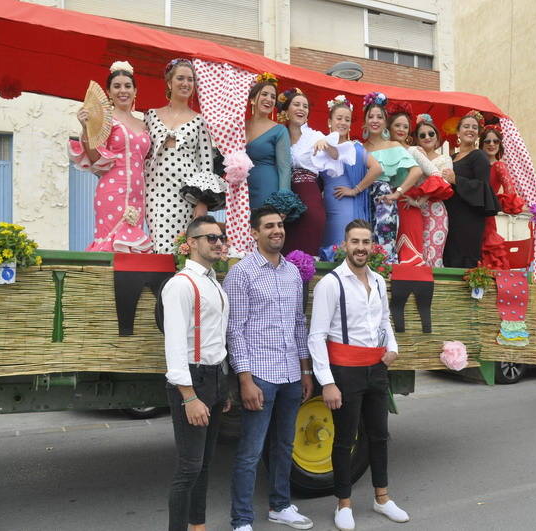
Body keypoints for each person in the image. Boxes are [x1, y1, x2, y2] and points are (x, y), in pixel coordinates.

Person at [309, 219, 410, 531]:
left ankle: (382, 499)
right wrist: (327, 382)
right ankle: (344, 504)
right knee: (344, 440)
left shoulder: (378, 281)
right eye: (355, 242)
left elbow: (384, 319)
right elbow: (316, 336)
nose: (361, 248)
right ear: (345, 244)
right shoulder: (331, 283)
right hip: (344, 371)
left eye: (366, 242)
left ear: (372, 245)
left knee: (379, 435)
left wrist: (392, 348)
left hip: (376, 368)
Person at [224, 205, 314, 531]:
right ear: (254, 232)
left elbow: (298, 324)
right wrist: (245, 380)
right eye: (269, 226)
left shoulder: (292, 272)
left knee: (285, 445)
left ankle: (280, 505)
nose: (277, 230)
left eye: (279, 225)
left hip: (291, 372)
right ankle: (242, 520)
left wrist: (305, 371)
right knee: (251, 451)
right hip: (260, 375)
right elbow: (234, 330)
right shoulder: (242, 273)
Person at [162, 215, 230, 531]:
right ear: (191, 244)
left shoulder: (213, 282)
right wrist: (189, 396)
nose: (219, 242)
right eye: (211, 238)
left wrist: (222, 387)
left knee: (204, 465)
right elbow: (175, 345)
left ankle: (197, 526)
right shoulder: (180, 285)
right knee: (189, 467)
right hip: (192, 379)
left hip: (214, 377)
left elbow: (216, 338)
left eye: (221, 237)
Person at [69, 60, 153, 253]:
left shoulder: (144, 124)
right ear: (108, 92)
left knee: (133, 246)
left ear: (135, 91)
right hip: (112, 190)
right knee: (112, 243)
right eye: (116, 86)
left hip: (139, 195)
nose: (122, 90)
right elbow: (93, 158)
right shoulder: (104, 120)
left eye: (127, 86)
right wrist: (86, 128)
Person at [145, 58, 226, 253]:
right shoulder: (150, 115)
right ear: (169, 82)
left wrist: (202, 202)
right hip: (155, 191)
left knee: (183, 247)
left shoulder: (200, 121)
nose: (186, 83)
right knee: (159, 244)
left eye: (190, 80)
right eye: (180, 78)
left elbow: (206, 165)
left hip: (186, 196)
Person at [277, 88, 353, 256]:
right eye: (296, 104)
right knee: (282, 239)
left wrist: (326, 144)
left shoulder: (314, 136)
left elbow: (337, 155)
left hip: (308, 191)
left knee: (311, 228)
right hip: (283, 193)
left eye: (305, 106)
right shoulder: (278, 134)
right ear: (286, 110)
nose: (301, 109)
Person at [362, 93, 423, 263]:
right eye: (371, 116)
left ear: (385, 122)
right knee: (363, 244)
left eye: (379, 117)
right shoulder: (359, 147)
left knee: (384, 245)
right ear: (365, 121)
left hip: (383, 197)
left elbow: (416, 171)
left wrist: (398, 193)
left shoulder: (393, 145)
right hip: (362, 199)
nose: (375, 120)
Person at [320, 95, 383, 260]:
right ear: (329, 121)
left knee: (342, 241)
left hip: (346, 204)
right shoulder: (321, 143)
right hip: (327, 202)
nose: (342, 122)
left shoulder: (354, 147)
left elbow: (377, 168)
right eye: (339, 118)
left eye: (347, 119)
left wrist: (356, 190)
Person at [442, 111, 500, 268]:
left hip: (469, 219)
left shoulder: (478, 156)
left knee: (464, 259)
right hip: (449, 216)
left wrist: (456, 180)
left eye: (474, 127)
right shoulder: (450, 158)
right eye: (466, 126)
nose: (470, 129)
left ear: (478, 133)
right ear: (458, 131)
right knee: (448, 255)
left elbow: (482, 187)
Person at [405, 114, 454, 267]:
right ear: (416, 139)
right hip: (413, 210)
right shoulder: (413, 155)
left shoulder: (445, 159)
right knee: (416, 254)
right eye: (422, 135)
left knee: (433, 255)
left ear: (436, 135)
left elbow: (442, 184)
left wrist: (420, 201)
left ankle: (436, 291)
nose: (427, 137)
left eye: (431, 133)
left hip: (434, 211)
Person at [480, 123, 525, 270]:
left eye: (495, 141)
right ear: (481, 144)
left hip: (486, 216)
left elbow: (510, 194)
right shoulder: (475, 162)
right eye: (487, 141)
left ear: (500, 144)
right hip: (469, 213)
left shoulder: (499, 166)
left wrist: (496, 201)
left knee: (486, 252)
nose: (492, 144)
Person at [245, 74, 292, 209]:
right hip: (240, 190)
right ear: (253, 99)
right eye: (264, 94)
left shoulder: (279, 130)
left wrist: (282, 201)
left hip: (267, 188)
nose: (269, 99)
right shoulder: (239, 126)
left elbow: (284, 168)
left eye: (273, 97)